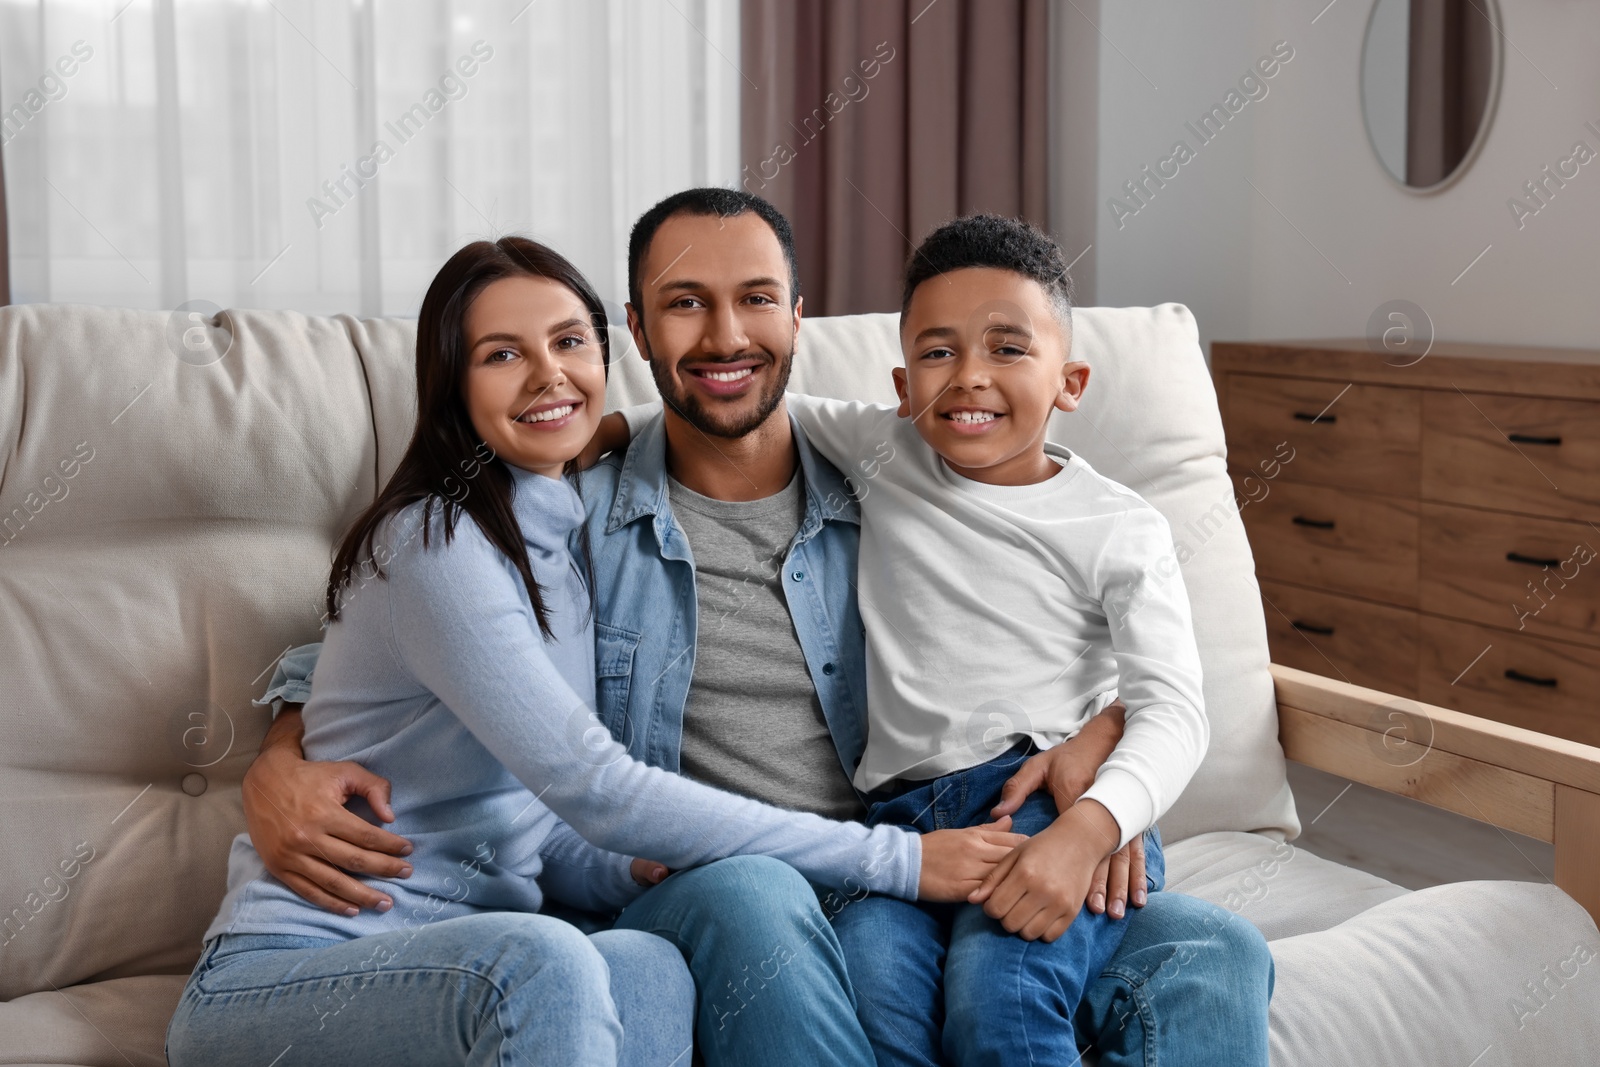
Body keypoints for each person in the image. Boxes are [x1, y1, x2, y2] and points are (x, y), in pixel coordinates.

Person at [242, 189, 1275, 1066]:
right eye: (685, 305)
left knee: (1212, 948)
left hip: (939, 845)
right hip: (748, 878)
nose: (726, 337)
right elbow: (390, 636)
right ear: (638, 333)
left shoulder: (903, 473)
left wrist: (1101, 738)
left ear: (797, 316)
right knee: (758, 899)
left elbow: (1031, 602)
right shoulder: (572, 501)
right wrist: (284, 749)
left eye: (755, 301)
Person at [167, 236, 1016, 1067]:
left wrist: (641, 864)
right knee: (546, 961)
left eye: (570, 342)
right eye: (502, 355)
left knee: (645, 966)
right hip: (292, 974)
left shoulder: (566, 542)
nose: (548, 375)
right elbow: (593, 784)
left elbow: (545, 825)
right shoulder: (435, 541)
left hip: (475, 952)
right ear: (452, 385)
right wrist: (898, 859)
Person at [607, 211, 1213, 1064]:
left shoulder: (1119, 526)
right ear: (900, 384)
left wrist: (1097, 827)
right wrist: (591, 433)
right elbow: (723, 395)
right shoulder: (884, 450)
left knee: (1001, 1006)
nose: (969, 378)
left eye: (1008, 348)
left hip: (1037, 806)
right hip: (895, 828)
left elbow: (1176, 708)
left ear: (1070, 379)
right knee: (880, 1007)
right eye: (938, 352)